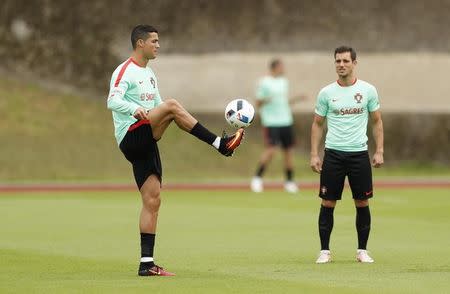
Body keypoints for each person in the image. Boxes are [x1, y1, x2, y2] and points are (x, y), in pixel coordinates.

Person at [107, 25, 245, 276]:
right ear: (140, 43)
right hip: (131, 134)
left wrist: (168, 115)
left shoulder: (149, 74)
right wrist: (132, 109)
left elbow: (158, 106)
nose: (158, 45)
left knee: (153, 200)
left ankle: (146, 264)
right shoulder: (124, 70)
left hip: (147, 137)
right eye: (154, 41)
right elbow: (112, 100)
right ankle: (220, 145)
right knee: (172, 106)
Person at [310, 46, 384, 263]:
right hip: (333, 154)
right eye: (337, 61)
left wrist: (379, 150)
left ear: (354, 63)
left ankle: (362, 250)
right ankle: (324, 251)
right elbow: (317, 124)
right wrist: (314, 154)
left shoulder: (368, 90)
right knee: (327, 203)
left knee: (362, 202)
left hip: (359, 154)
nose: (341, 65)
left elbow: (377, 120)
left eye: (345, 61)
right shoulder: (326, 93)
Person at [250, 59, 306, 193]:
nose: (283, 69)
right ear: (275, 68)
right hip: (271, 122)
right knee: (271, 150)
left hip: (286, 121)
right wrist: (266, 100)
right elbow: (258, 103)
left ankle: (289, 181)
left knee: (288, 152)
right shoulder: (264, 82)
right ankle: (257, 179)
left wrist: (297, 99)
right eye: (281, 67)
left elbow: (283, 102)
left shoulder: (284, 82)